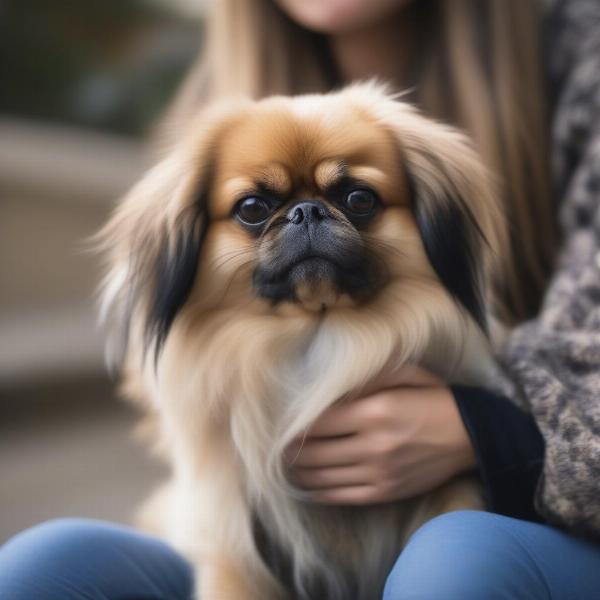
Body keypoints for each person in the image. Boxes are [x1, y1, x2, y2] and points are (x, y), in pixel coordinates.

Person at [2, 0, 600, 598]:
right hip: (263, 549)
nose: (308, 221)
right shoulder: (213, 98)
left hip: (536, 535)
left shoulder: (578, 45)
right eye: (254, 208)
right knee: (44, 566)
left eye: (358, 199)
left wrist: (490, 433)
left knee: (456, 564)